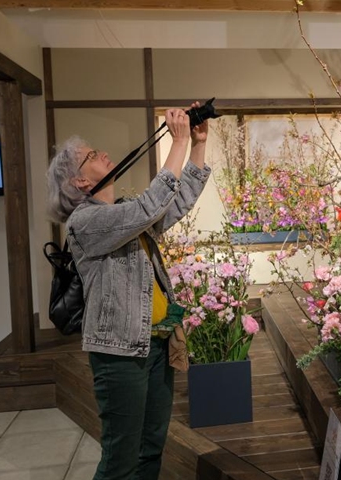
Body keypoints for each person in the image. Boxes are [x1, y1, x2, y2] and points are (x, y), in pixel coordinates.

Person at [45, 103, 211, 480]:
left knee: (151, 449)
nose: (103, 153)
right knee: (121, 459)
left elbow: (174, 204)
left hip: (155, 345)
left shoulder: (126, 214)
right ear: (79, 183)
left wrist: (197, 144)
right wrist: (179, 139)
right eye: (91, 155)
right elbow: (150, 206)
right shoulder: (85, 222)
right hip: (119, 355)